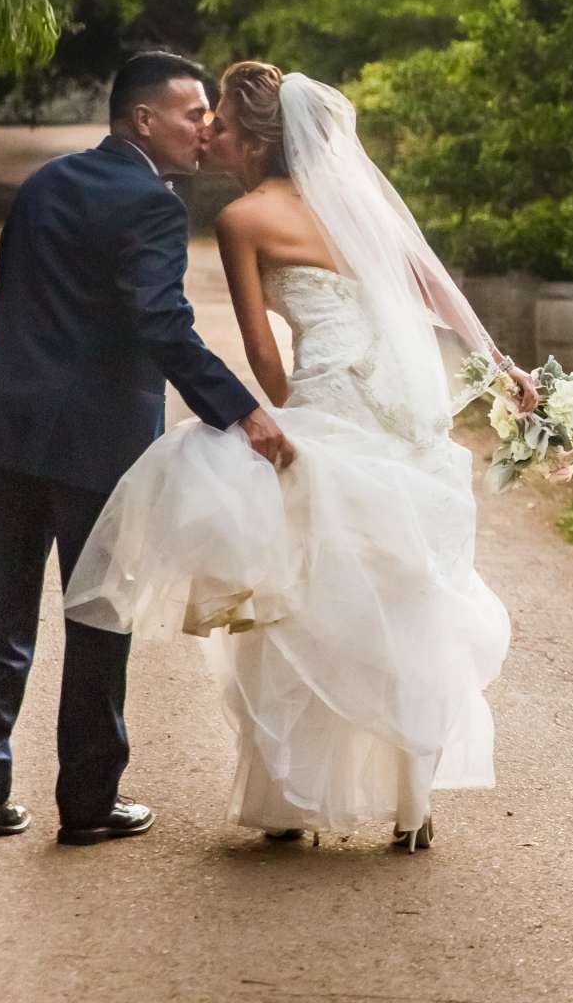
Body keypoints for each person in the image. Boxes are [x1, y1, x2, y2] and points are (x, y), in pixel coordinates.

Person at [65, 63, 534, 852]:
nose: (207, 132)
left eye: (219, 124)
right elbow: (436, 291)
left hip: (324, 404)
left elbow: (258, 345)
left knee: (298, 598)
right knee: (406, 590)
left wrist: (283, 421)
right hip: (396, 414)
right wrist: (500, 362)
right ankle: (412, 806)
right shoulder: (359, 210)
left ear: (251, 143)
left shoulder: (243, 220)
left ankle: (290, 801)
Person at [0, 52, 292, 848]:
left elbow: (13, 298)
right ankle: (89, 802)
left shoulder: (43, 185)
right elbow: (161, 323)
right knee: (98, 613)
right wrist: (243, 411)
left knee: (4, 607)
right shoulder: (153, 206)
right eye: (193, 114)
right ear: (144, 119)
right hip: (97, 445)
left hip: (7, 429)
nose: (206, 129)